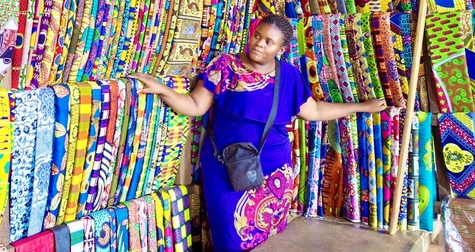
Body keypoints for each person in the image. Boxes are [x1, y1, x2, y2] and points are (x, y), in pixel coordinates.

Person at [131, 14, 387, 251]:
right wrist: (164, 90)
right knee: (230, 236)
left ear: (281, 49)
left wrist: (362, 106)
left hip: (274, 172)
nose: (259, 44)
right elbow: (196, 105)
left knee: (268, 239)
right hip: (226, 166)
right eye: (257, 36)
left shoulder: (289, 76)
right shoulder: (226, 66)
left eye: (268, 42)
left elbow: (314, 111)